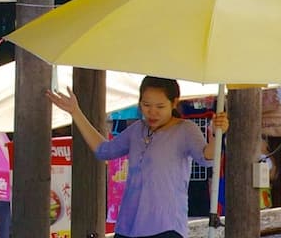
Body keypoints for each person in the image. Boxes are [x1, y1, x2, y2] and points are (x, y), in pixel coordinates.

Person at [50, 77, 228, 238]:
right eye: (146, 105)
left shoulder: (185, 129)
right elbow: (104, 150)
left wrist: (216, 136)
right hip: (128, 226)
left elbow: (205, 157)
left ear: (174, 103)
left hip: (166, 227)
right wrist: (76, 113)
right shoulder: (137, 130)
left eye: (160, 107)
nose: (152, 112)